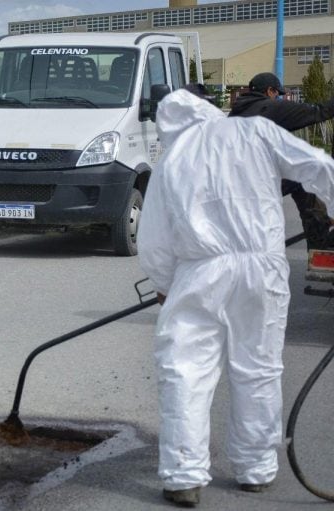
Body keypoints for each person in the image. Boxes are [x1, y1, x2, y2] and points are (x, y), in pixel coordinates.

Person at [138, 87, 334, 508]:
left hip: (198, 272)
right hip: (260, 269)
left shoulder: (171, 159)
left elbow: (153, 238)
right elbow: (319, 166)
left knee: (185, 372)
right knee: (258, 367)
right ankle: (256, 470)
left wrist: (165, 285)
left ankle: (184, 477)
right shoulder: (256, 132)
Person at [230, 72, 334, 249]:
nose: (278, 97)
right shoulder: (270, 108)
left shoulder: (234, 113)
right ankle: (321, 243)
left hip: (231, 184)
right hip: (254, 184)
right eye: (277, 94)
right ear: (269, 91)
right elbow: (318, 111)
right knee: (303, 180)